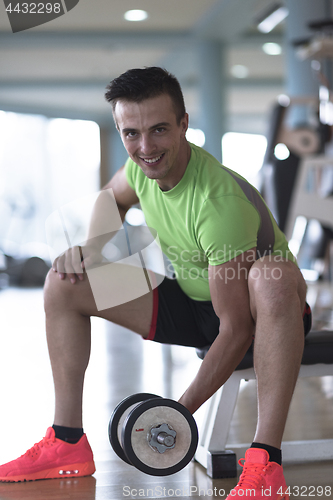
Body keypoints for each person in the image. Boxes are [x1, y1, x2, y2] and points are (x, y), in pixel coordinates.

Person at [0, 67, 311, 498]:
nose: (145, 147)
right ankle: (67, 442)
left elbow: (237, 328)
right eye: (132, 133)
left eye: (160, 129)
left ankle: (265, 464)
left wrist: (175, 414)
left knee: (272, 277)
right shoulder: (138, 167)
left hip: (261, 317)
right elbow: (112, 198)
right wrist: (88, 251)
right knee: (63, 282)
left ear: (184, 124)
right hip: (194, 301)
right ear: (120, 130)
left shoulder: (217, 203)